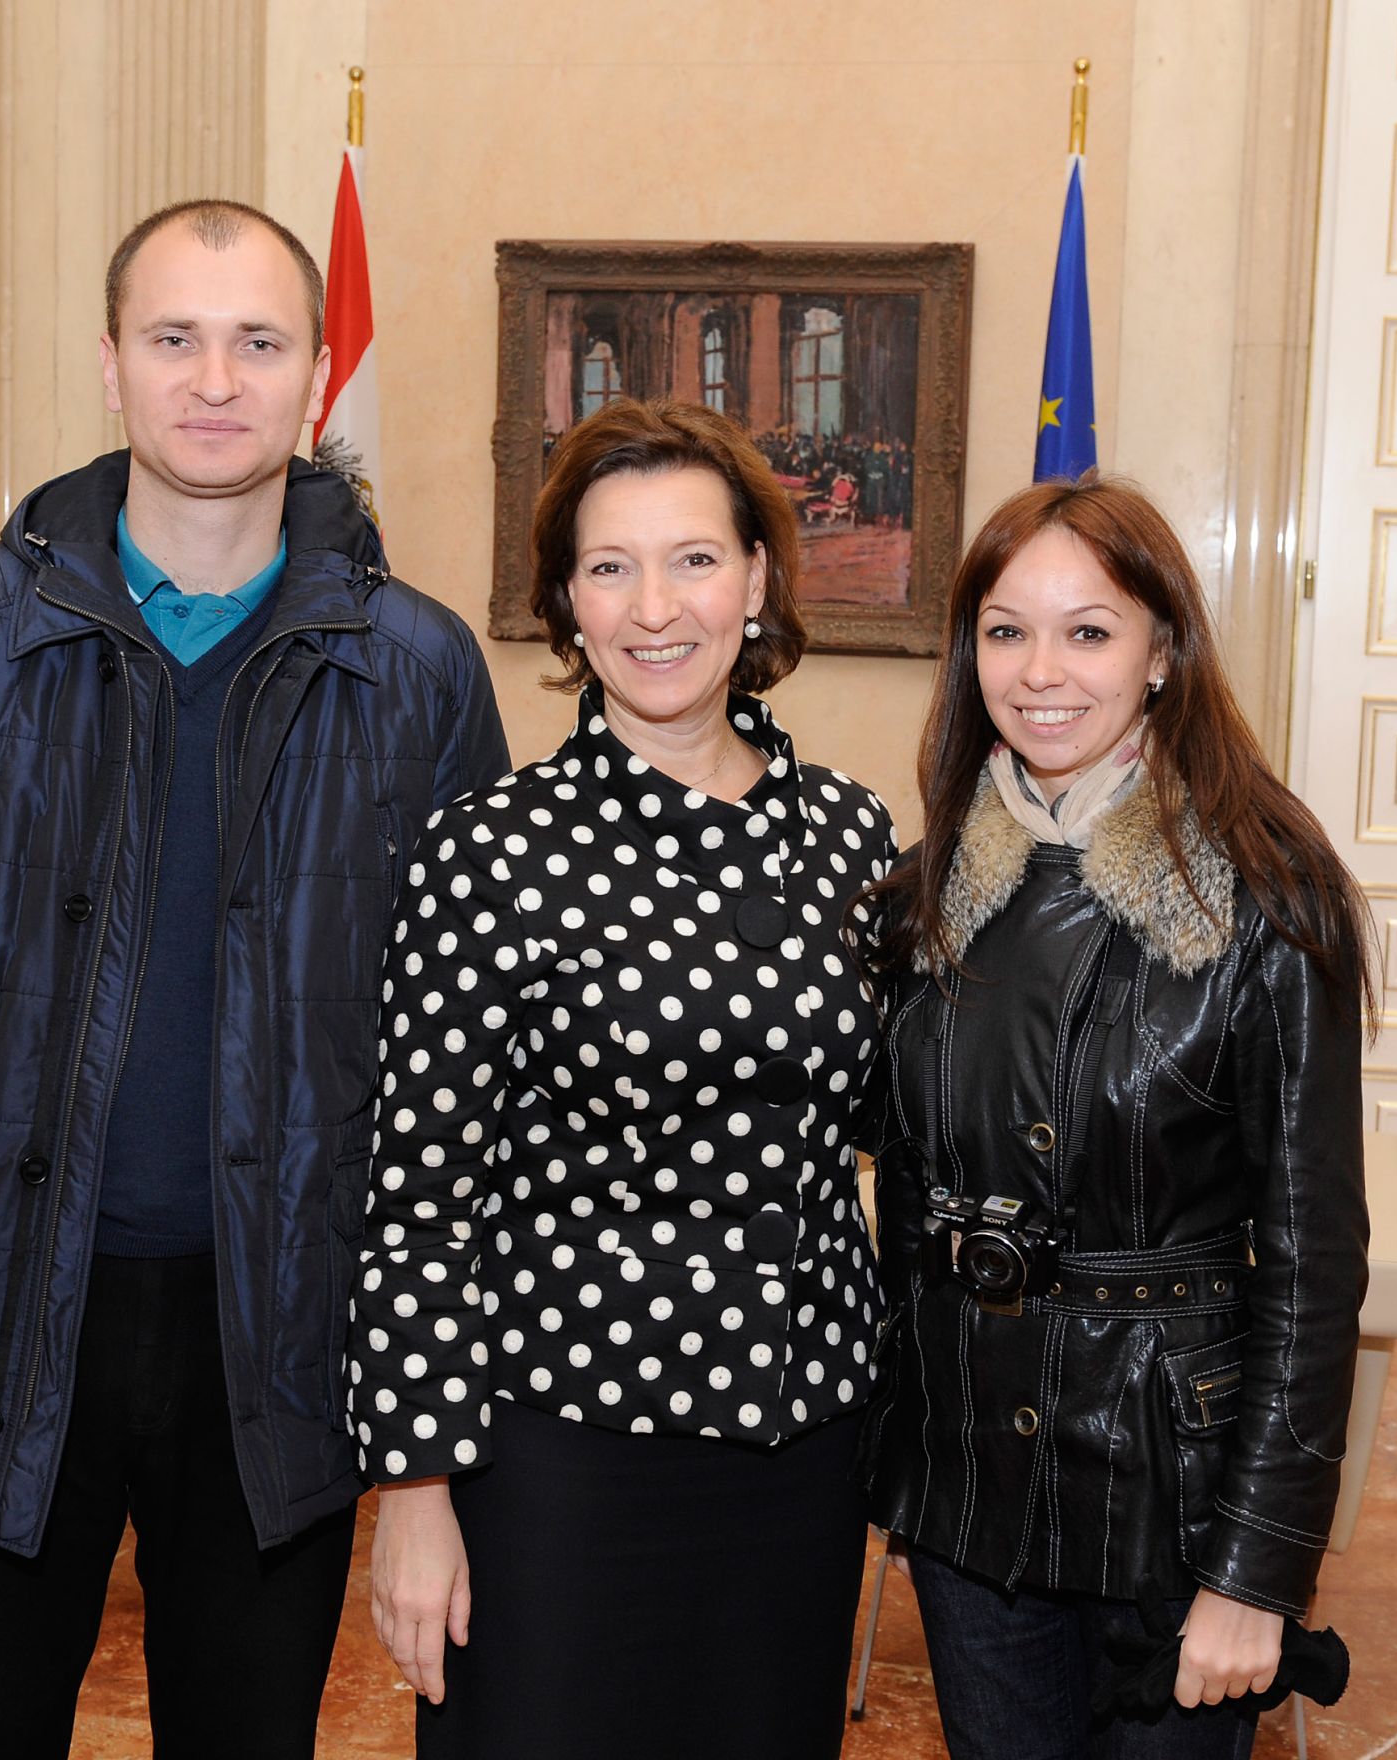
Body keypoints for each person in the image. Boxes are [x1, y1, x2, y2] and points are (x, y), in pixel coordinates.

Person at [0, 198, 508, 1757]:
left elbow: (463, 1071)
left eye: (256, 342)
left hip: (281, 1334)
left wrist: (438, 1399)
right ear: (111, 365)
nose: (213, 380)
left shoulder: (419, 670)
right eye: (174, 338)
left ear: (315, 376)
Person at [347, 397, 898, 1759]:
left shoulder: (851, 833)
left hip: (802, 1447)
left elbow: (894, 1116)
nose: (657, 606)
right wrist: (414, 1491)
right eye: (610, 566)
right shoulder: (491, 850)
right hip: (563, 1461)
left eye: (695, 559)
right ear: (565, 606)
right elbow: (417, 1197)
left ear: (759, 581)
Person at [860, 474, 1372, 1759]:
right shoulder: (922, 897)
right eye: (1004, 628)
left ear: (1159, 654)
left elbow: (1312, 1267)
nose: (1040, 670)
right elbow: (895, 1195)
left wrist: (1257, 1567)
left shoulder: (1265, 890)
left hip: (1172, 1494)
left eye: (1087, 630)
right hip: (971, 1489)